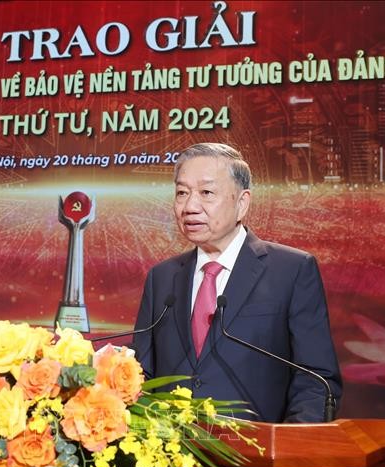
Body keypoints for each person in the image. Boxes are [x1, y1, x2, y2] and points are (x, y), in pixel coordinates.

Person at [133, 143, 342, 423]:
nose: (190, 207)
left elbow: (316, 380)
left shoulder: (291, 271)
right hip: (170, 447)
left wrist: (292, 444)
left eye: (206, 193)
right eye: (182, 193)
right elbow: (141, 375)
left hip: (258, 446)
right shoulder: (162, 278)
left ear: (242, 203)